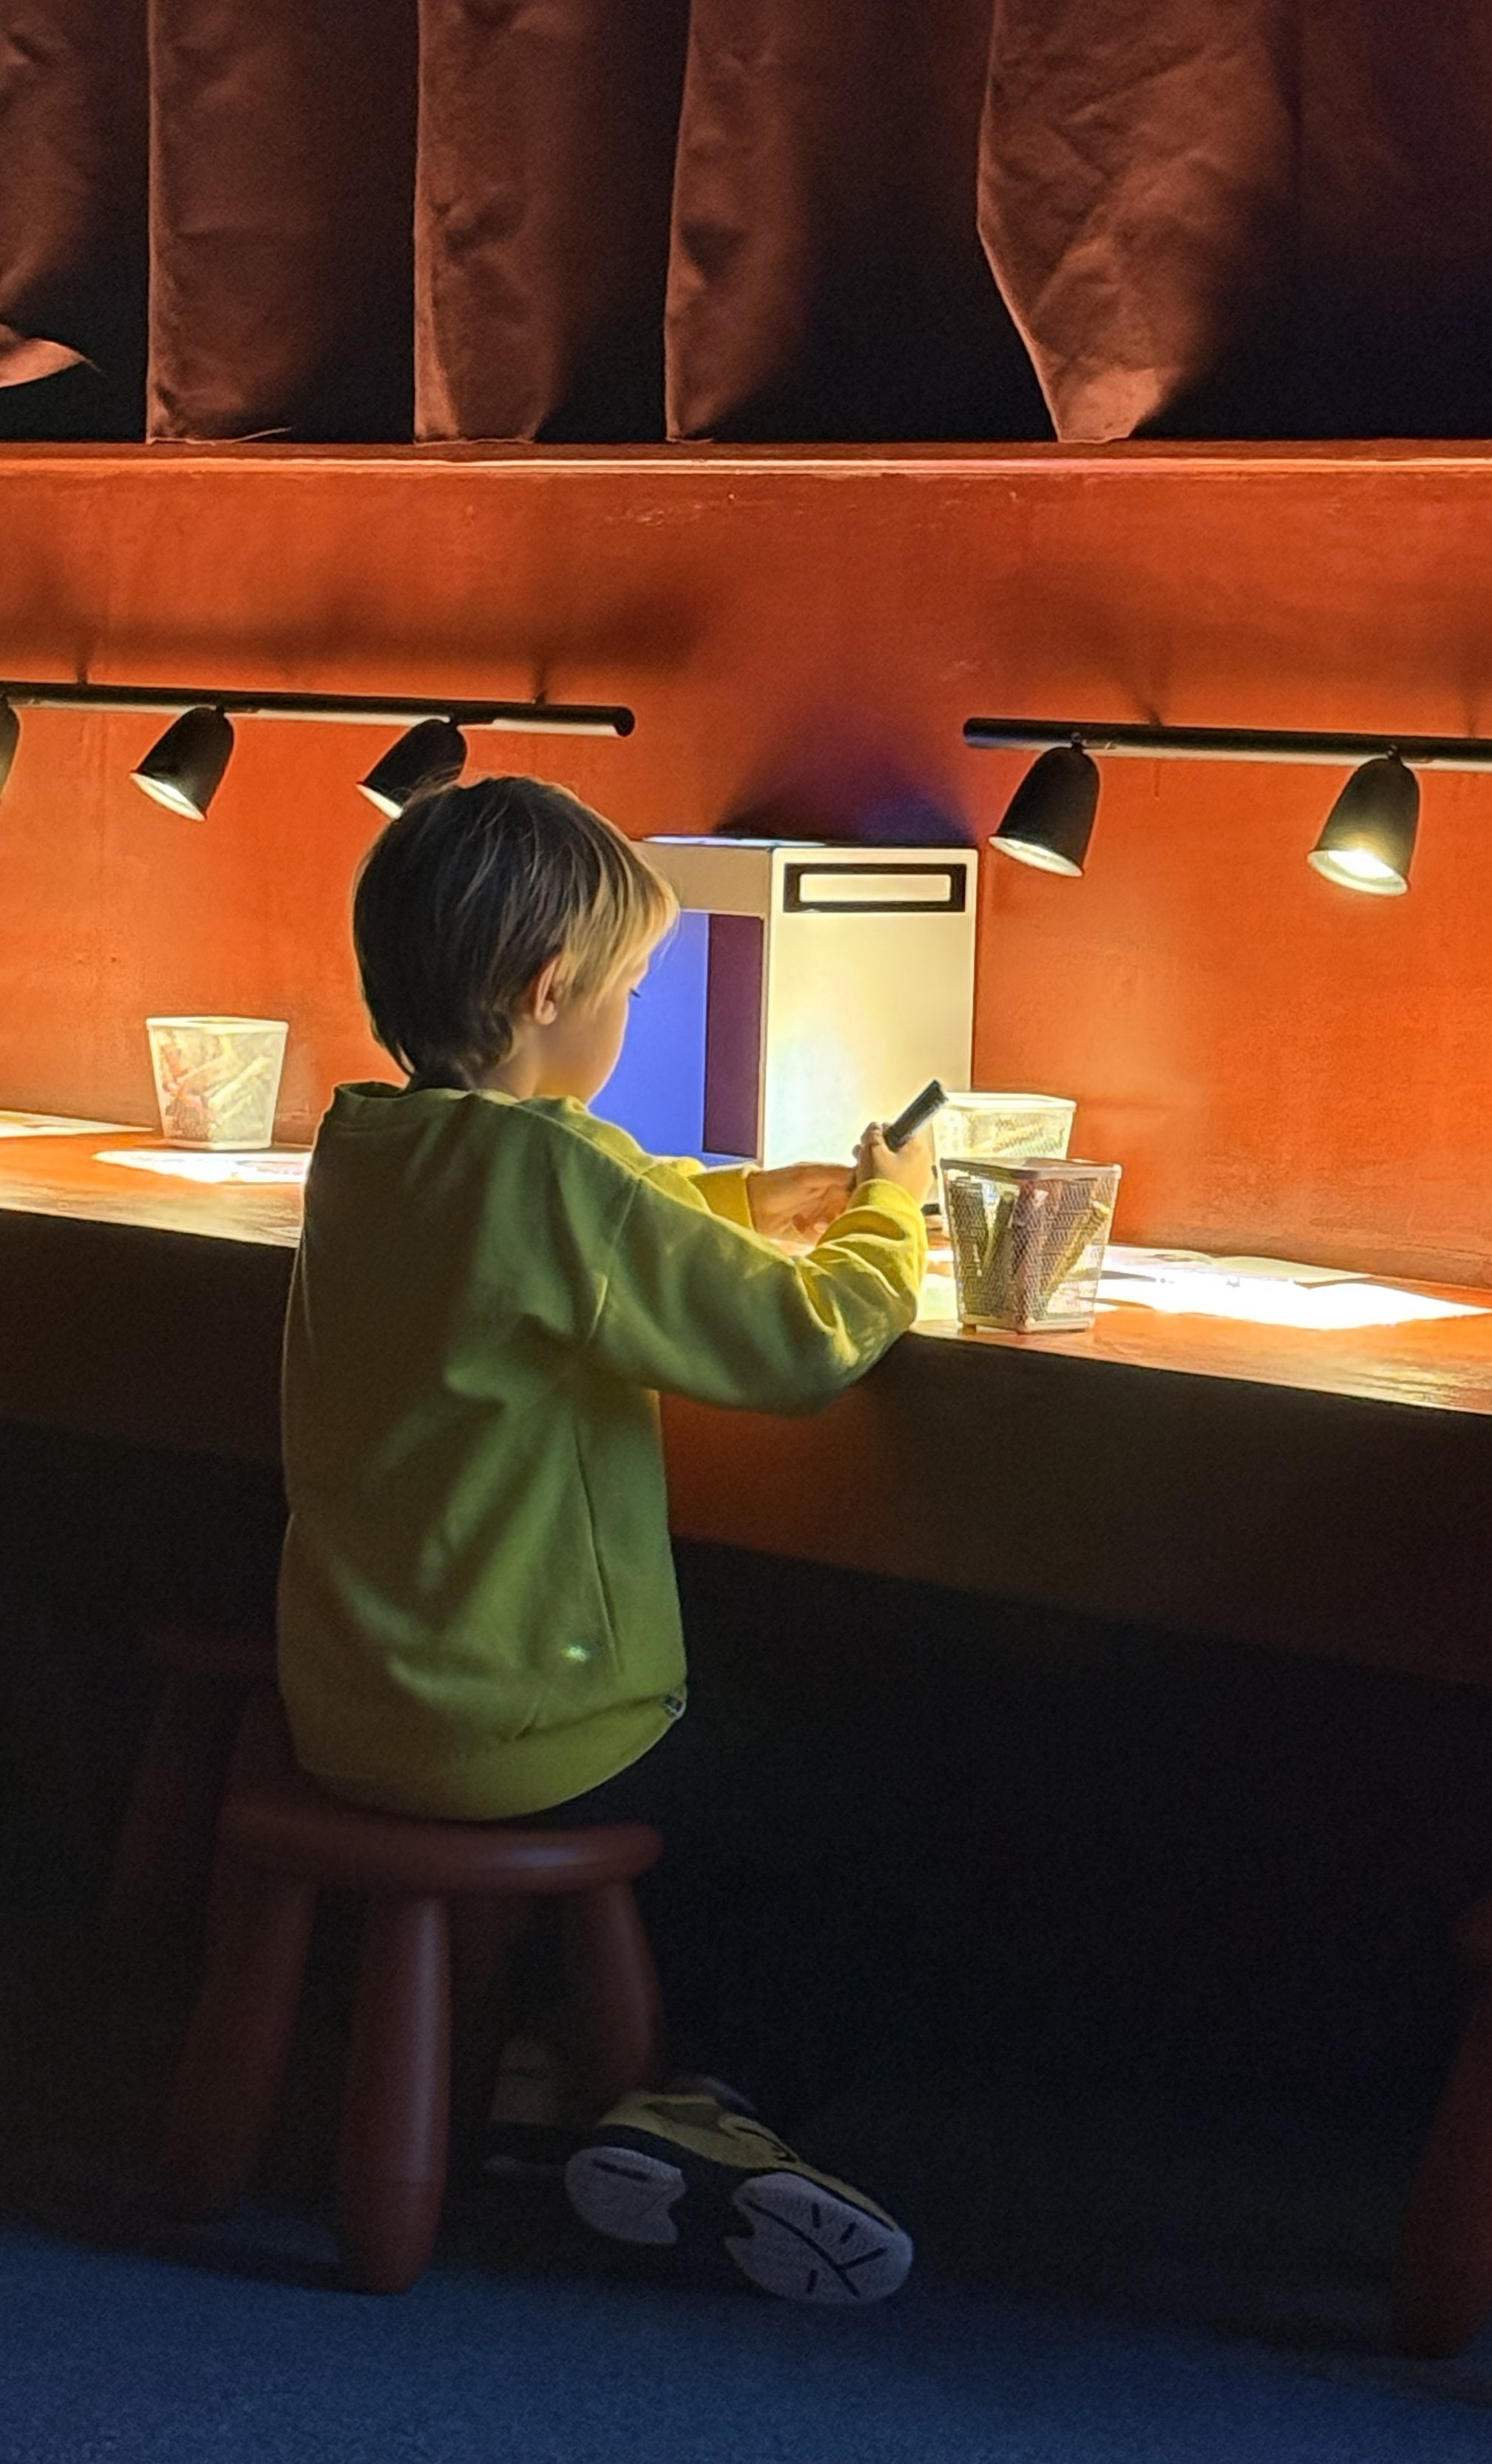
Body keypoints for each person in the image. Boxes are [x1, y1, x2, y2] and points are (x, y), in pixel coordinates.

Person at [277, 773, 932, 2306]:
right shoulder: (552, 1175)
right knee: (833, 1839)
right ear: (551, 990)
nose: (635, 1013)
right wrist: (886, 1213)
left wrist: (740, 1193)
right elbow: (806, 1341)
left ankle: (539, 2070)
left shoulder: (368, 1147)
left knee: (738, 1787)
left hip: (355, 1705)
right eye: (632, 986)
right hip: (525, 1725)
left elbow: (566, 1207)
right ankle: (709, 2104)